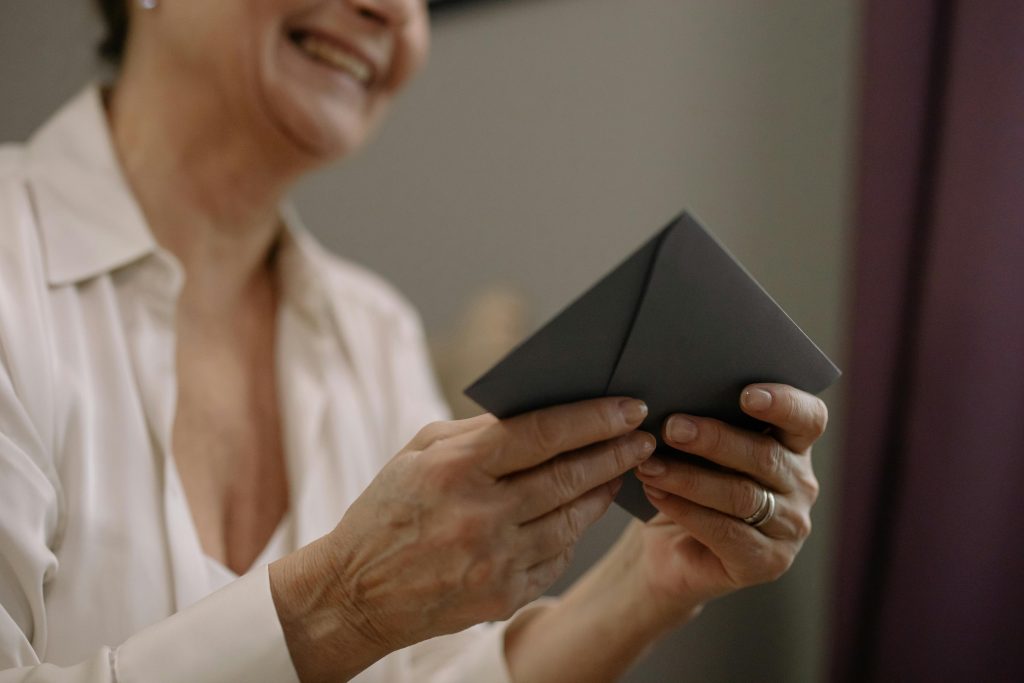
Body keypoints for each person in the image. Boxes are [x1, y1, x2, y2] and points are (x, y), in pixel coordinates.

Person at [0, 0, 828, 681]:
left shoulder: (374, 332)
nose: (393, 12)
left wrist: (651, 579)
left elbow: (430, 675)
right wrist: (344, 605)